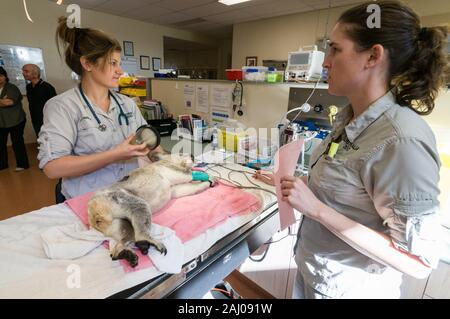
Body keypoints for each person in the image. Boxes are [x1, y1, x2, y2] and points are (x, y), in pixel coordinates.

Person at [254, 1, 449, 298]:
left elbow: (418, 263)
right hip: (314, 277)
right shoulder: (350, 117)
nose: (325, 62)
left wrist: (315, 209)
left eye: (335, 49)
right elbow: (349, 190)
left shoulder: (402, 140)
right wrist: (298, 185)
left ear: (373, 56)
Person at [38, 17, 160, 201]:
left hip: (129, 195)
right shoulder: (62, 107)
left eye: (119, 63)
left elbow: (148, 142)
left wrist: (168, 159)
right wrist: (114, 155)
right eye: (113, 63)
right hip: (88, 201)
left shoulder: (126, 104)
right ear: (87, 64)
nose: (120, 71)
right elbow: (53, 167)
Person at [0, 66, 30, 171]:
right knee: (1, 144)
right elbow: (3, 102)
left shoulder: (12, 87)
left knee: (17, 142)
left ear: (5, 76)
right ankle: (2, 164)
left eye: (1, 75)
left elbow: (9, 102)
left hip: (16, 120)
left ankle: (22, 164)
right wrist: (1, 101)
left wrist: (5, 102)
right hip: (1, 122)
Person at [22, 64, 57, 138]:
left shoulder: (47, 87)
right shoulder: (29, 87)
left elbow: (55, 106)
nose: (23, 73)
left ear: (35, 73)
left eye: (26, 71)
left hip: (47, 121)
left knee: (50, 140)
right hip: (35, 119)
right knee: (40, 139)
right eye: (23, 71)